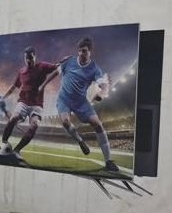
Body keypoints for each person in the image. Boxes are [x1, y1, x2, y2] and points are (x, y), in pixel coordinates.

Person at [39, 36, 120, 173]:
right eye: (80, 51)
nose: (82, 53)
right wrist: (43, 85)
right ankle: (80, 140)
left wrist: (102, 93)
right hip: (63, 99)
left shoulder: (94, 68)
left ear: (90, 52)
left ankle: (108, 161)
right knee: (65, 122)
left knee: (98, 124)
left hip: (80, 101)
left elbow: (104, 85)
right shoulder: (69, 61)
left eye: (85, 51)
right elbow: (55, 73)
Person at [0, 46, 58, 162]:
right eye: (26, 58)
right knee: (13, 118)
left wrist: (63, 63)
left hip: (37, 104)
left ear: (35, 56)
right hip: (23, 102)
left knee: (34, 125)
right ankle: (3, 142)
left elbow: (57, 67)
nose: (28, 60)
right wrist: (3, 98)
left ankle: (17, 150)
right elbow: (13, 87)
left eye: (30, 57)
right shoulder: (21, 72)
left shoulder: (42, 66)